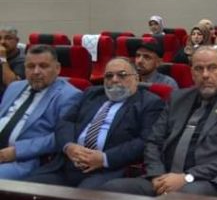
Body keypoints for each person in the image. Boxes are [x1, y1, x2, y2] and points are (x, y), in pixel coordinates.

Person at [103, 46, 217, 197]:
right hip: (164, 177)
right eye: (199, 69)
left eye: (212, 68)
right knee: (111, 189)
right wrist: (157, 175)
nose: (205, 75)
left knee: (179, 197)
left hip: (205, 180)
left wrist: (187, 177)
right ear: (192, 73)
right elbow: (153, 142)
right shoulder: (177, 98)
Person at [25, 58, 163, 189]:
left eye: (122, 75)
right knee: (27, 189)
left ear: (136, 78)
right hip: (68, 163)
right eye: (109, 76)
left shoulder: (149, 103)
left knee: (82, 199)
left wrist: (103, 158)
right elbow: (65, 122)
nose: (114, 80)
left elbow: (144, 141)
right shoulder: (92, 94)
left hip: (106, 169)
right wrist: (69, 146)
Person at [0, 45, 82, 180]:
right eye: (30, 66)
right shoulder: (14, 87)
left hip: (23, 159)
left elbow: (61, 136)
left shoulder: (69, 96)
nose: (36, 72)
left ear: (57, 68)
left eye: (43, 66)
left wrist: (17, 151)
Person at [1, 26, 26, 94]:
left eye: (8, 38)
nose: (2, 42)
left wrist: (3, 58)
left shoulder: (23, 60)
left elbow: (12, 84)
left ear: (17, 40)